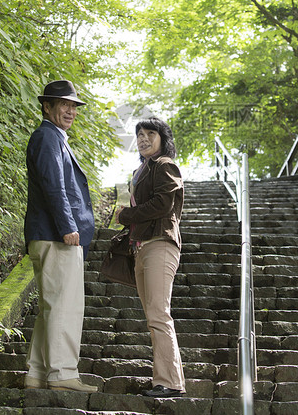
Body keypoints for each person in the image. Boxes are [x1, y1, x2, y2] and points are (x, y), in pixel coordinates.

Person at [23, 79, 97, 392]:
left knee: (52, 306)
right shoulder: (47, 137)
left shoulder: (53, 137)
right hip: (55, 234)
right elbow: (55, 185)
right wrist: (68, 226)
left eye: (72, 105)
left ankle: (38, 373)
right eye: (63, 104)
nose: (69, 110)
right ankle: (62, 374)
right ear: (47, 107)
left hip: (49, 233)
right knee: (64, 305)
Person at [115, 117, 186, 398]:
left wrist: (126, 215)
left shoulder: (164, 165)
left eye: (150, 133)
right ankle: (168, 379)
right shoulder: (140, 170)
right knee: (153, 316)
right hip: (141, 247)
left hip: (160, 243)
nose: (143, 138)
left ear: (162, 138)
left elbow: (163, 203)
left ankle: (169, 383)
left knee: (159, 313)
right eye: (140, 134)